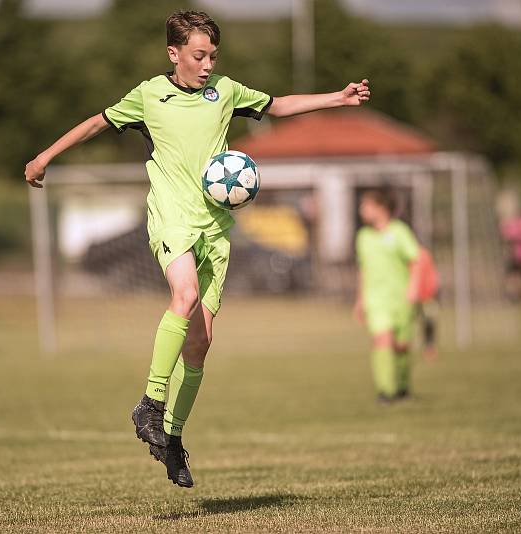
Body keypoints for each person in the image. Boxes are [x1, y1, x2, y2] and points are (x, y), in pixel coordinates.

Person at [24, 10, 370, 487]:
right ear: (175, 53)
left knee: (201, 343)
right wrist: (45, 157)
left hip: (215, 227)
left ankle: (171, 439)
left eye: (213, 56)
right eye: (198, 55)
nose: (208, 64)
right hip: (170, 216)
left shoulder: (225, 92)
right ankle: (149, 402)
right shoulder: (149, 95)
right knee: (182, 296)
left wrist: (338, 97)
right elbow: (96, 124)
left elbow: (280, 104)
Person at [353, 189, 422, 403]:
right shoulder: (363, 237)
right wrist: (360, 299)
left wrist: (413, 288)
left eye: (366, 206)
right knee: (382, 340)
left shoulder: (399, 232)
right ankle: (386, 391)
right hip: (376, 300)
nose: (361, 210)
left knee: (401, 346)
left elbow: (416, 261)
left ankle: (402, 387)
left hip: (401, 298)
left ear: (381, 208)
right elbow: (363, 270)